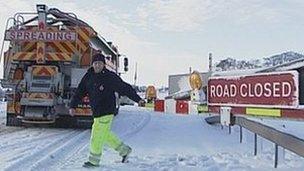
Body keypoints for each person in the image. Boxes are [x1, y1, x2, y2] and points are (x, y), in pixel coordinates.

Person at [69, 53, 145, 168]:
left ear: (104, 64)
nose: (97, 66)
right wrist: (73, 106)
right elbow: (80, 91)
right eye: (95, 63)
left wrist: (138, 99)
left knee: (96, 136)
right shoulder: (88, 76)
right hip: (96, 112)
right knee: (104, 135)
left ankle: (94, 161)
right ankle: (124, 151)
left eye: (100, 63)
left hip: (106, 111)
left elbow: (125, 88)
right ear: (92, 64)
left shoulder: (110, 77)